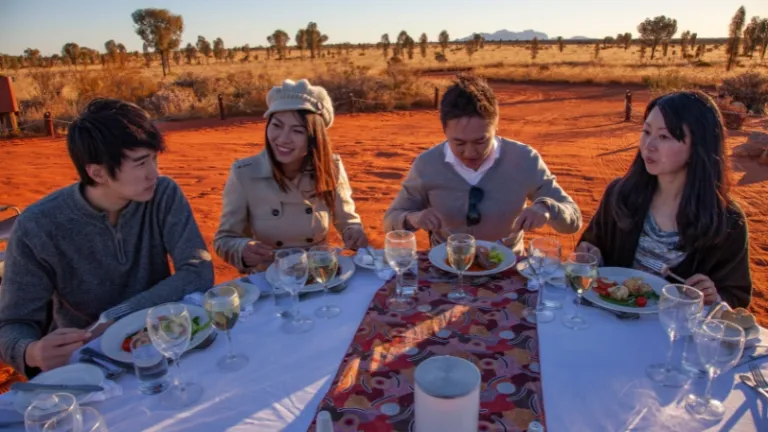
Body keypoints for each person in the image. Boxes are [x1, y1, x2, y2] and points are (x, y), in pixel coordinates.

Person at [0, 98, 214, 377]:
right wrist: (32, 351)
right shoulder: (38, 226)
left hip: (166, 342)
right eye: (140, 163)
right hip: (89, 364)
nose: (154, 173)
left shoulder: (163, 193)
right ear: (97, 172)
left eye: (154, 159)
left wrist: (115, 316)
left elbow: (198, 270)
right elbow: (12, 325)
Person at [577, 90, 752, 308]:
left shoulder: (727, 221)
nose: (648, 145)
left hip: (673, 335)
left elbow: (736, 298)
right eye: (646, 132)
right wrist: (588, 255)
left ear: (698, 146)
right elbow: (592, 248)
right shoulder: (620, 194)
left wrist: (713, 297)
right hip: (609, 323)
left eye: (664, 136)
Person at [383, 74, 582, 255]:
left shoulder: (524, 159)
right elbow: (391, 220)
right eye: (458, 143)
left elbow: (573, 221)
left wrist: (548, 207)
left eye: (481, 141)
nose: (470, 153)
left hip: (507, 266)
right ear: (444, 132)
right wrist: (413, 218)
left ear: (496, 127)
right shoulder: (427, 164)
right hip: (448, 265)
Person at [214, 79, 368, 272]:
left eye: (297, 130)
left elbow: (347, 220)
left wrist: (353, 231)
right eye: (277, 125)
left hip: (319, 272)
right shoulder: (244, 173)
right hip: (270, 279)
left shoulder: (331, 167)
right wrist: (242, 249)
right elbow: (224, 239)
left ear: (314, 138)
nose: (283, 138)